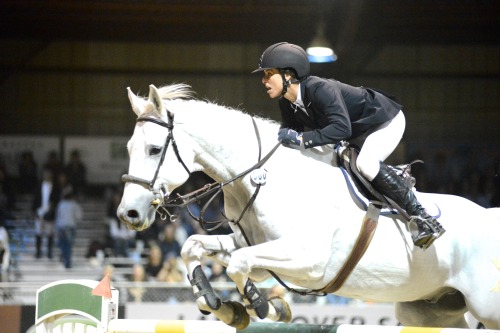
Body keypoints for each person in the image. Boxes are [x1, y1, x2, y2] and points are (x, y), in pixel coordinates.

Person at [252, 42, 445, 249]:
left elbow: (340, 129)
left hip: (384, 120)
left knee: (367, 164)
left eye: (268, 74)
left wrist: (301, 139)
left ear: (288, 74)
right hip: (357, 132)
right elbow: (289, 136)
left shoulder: (319, 89)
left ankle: (424, 219)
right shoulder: (287, 102)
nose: (263, 81)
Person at [55, 187, 82, 269]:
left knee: (63, 244)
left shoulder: (61, 204)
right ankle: (67, 261)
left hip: (61, 226)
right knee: (68, 245)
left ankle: (65, 257)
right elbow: (79, 216)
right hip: (70, 227)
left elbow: (58, 216)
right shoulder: (74, 204)